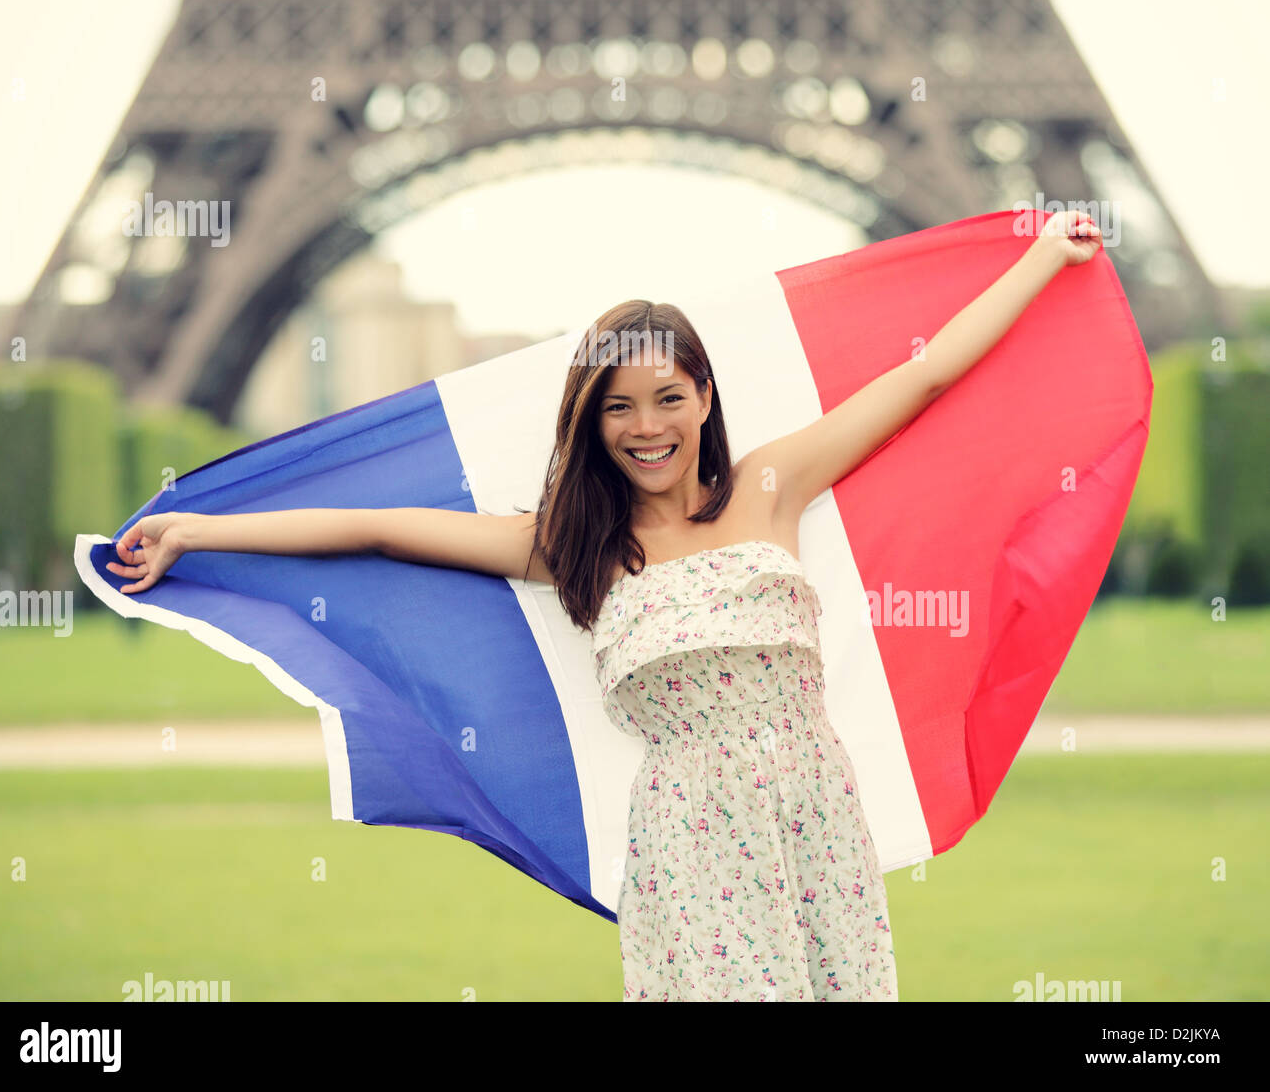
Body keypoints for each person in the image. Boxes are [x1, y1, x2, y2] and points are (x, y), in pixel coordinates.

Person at [104, 209, 1103, 1001]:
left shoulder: (771, 485)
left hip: (813, 811)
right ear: (590, 421)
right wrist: (201, 531)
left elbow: (925, 373)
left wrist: (1043, 257)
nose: (646, 425)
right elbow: (380, 528)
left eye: (668, 397)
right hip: (690, 834)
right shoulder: (574, 545)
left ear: (705, 398)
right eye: (617, 405)